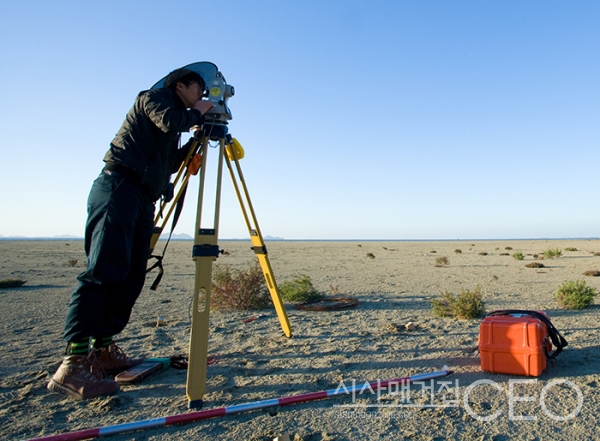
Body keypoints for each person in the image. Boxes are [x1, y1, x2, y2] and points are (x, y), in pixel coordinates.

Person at [47, 67, 214, 400]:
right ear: (180, 84)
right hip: (118, 188)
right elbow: (171, 121)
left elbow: (171, 163)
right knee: (103, 272)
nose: (204, 94)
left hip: (142, 197)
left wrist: (198, 136)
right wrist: (196, 114)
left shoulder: (176, 123)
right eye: (200, 87)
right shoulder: (152, 99)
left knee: (131, 274)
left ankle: (104, 352)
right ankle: (72, 364)